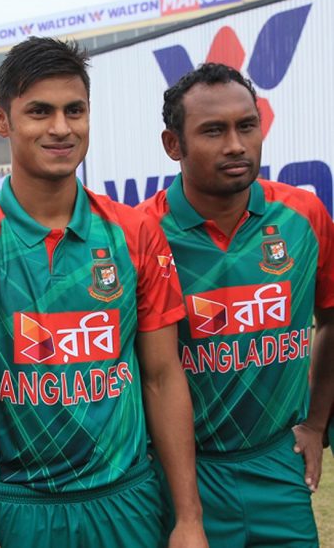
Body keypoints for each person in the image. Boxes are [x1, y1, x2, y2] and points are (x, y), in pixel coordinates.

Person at [0, 36, 206, 548]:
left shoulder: (135, 233)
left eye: (75, 110)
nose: (61, 128)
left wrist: (188, 518)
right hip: (16, 509)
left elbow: (162, 376)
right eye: (39, 111)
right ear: (1, 120)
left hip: (127, 502)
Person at [139, 62, 334, 547]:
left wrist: (315, 423)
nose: (235, 144)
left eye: (247, 125)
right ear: (173, 145)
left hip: (277, 463)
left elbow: (331, 318)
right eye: (213, 130)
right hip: (181, 473)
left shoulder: (303, 216)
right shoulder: (138, 234)